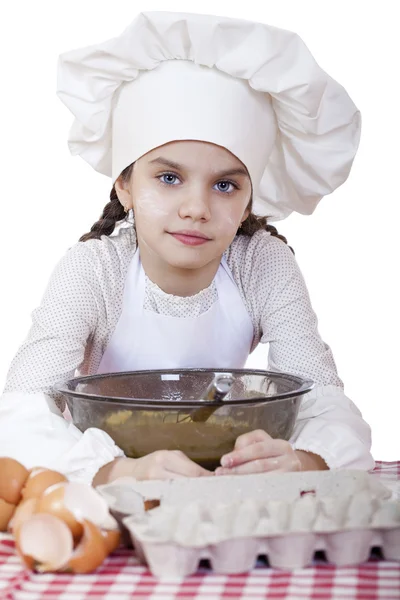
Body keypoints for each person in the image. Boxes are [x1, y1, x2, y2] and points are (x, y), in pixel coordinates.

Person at [0, 11, 374, 485]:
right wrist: (115, 470)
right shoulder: (94, 270)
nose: (196, 208)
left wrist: (305, 459)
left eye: (225, 186)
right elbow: (19, 408)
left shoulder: (260, 262)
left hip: (221, 478)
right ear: (125, 186)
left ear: (248, 200)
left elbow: (322, 395)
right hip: (117, 483)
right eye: (169, 177)